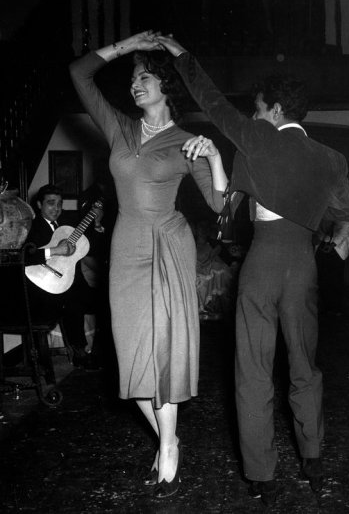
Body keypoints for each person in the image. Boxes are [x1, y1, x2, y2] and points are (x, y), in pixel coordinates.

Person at [159, 34, 349, 505]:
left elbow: (209, 98)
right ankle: (313, 458)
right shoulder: (332, 159)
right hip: (303, 266)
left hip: (263, 264)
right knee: (305, 365)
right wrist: (334, 233)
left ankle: (261, 475)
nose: (251, 115)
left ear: (275, 110)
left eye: (258, 107)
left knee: (253, 371)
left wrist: (181, 54)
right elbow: (343, 210)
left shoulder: (259, 137)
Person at [69, 31, 228, 498]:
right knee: (131, 357)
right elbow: (79, 73)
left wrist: (215, 154)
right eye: (133, 78)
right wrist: (127, 45)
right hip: (126, 246)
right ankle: (169, 437)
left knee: (163, 349)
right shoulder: (119, 126)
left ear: (166, 86)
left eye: (145, 76)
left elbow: (219, 204)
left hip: (167, 243)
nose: (135, 84)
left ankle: (169, 453)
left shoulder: (186, 141)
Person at [25, 184, 104, 369]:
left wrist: (97, 223)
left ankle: (99, 351)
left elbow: (95, 246)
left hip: (69, 283)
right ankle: (80, 352)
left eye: (60, 204)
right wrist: (55, 250)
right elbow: (25, 255)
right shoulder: (31, 227)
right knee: (73, 302)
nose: (56, 208)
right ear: (39, 204)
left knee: (107, 301)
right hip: (42, 288)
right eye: (50, 203)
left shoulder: (67, 225)